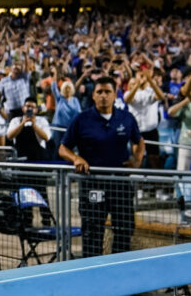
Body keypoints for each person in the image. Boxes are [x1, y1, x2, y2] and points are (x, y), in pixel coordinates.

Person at [59, 77, 144, 257]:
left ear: (115, 95)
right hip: (92, 183)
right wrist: (76, 158)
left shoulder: (126, 118)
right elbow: (63, 148)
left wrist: (137, 159)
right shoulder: (81, 119)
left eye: (107, 92)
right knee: (92, 232)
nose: (103, 96)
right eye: (99, 92)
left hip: (120, 183)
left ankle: (119, 268)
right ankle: (92, 270)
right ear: (93, 95)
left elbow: (139, 140)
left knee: (124, 228)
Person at [5, 98, 51, 163]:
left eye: (32, 107)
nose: (30, 109)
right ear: (23, 108)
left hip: (38, 157)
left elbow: (46, 138)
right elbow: (9, 136)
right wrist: (22, 123)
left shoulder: (42, 121)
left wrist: (34, 125)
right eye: (28, 106)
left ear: (36, 110)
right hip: (20, 156)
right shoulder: (15, 120)